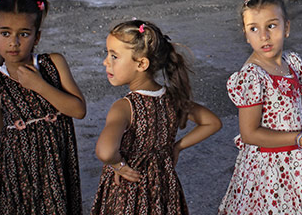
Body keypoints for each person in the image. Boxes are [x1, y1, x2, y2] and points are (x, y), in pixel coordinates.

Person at [91, 20, 222, 214]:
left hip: (128, 191)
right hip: (163, 189)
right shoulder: (172, 98)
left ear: (142, 63)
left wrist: (117, 165)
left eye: (114, 56)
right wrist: (177, 147)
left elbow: (105, 151)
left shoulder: (124, 107)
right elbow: (212, 122)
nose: (105, 62)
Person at [218, 0, 302, 214]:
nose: (264, 36)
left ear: (286, 28)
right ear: (246, 34)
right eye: (254, 29)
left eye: (271, 26)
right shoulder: (252, 76)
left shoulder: (292, 63)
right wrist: (299, 138)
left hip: (296, 163)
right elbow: (249, 133)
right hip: (268, 170)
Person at [0, 0, 85, 214]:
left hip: (55, 168)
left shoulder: (53, 64)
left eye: (24, 34)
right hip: (19, 174)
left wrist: (39, 85)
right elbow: (0, 138)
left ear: (37, 37)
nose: (14, 42)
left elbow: (78, 110)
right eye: (5, 33)